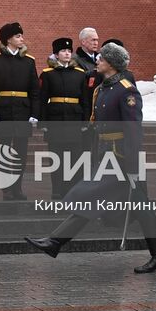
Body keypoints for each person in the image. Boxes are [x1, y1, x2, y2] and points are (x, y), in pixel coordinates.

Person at [25, 41, 156, 275]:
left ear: (111, 64)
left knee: (92, 196)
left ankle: (55, 241)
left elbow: (133, 130)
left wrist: (132, 166)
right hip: (106, 153)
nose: (97, 61)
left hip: (121, 157)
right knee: (136, 206)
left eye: (101, 59)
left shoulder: (126, 90)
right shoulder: (103, 88)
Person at [0, 22, 38, 201]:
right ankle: (6, 189)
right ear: (8, 39)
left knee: (21, 153)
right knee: (4, 152)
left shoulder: (29, 61)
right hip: (3, 111)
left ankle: (18, 188)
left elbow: (35, 91)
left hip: (23, 111)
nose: (22, 39)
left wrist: (34, 113)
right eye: (18, 36)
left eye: (21, 36)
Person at [38, 36, 88, 201]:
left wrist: (85, 121)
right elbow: (42, 99)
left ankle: (72, 190)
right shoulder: (48, 74)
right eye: (63, 51)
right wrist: (43, 122)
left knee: (75, 157)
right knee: (57, 157)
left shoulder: (80, 74)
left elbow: (85, 100)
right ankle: (57, 190)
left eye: (69, 51)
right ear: (56, 54)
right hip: (55, 120)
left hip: (74, 119)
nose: (67, 54)